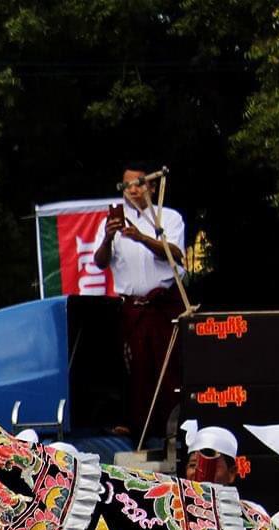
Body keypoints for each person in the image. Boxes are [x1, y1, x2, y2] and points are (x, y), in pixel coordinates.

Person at [93, 167, 187, 437]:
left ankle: (172, 430)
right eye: (127, 186)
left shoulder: (168, 218)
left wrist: (142, 238)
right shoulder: (112, 222)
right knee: (135, 370)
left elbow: (176, 254)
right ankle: (137, 429)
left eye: (139, 185)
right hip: (133, 307)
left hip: (163, 304)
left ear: (152, 187)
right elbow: (100, 263)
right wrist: (109, 236)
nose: (133, 190)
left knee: (169, 371)